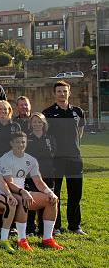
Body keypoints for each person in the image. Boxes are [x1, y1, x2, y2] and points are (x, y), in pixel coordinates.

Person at [0, 131, 64, 251]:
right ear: (11, 144)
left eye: (23, 142)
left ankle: (47, 238)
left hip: (22, 192)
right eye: (17, 142)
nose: (20, 144)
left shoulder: (31, 160)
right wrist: (23, 192)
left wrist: (49, 192)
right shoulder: (5, 159)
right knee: (23, 200)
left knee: (51, 200)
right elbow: (9, 183)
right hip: (7, 193)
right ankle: (21, 240)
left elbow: (38, 182)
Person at [42, 81, 86, 235]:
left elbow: (79, 133)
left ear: (69, 92)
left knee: (75, 193)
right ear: (54, 94)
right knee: (56, 193)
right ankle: (57, 226)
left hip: (74, 158)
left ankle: (75, 226)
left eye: (64, 91)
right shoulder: (47, 113)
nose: (62, 94)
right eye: (59, 91)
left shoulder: (78, 112)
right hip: (56, 159)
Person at [24, 112, 56, 236]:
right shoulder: (27, 138)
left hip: (47, 174)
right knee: (31, 201)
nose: (37, 124)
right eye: (34, 122)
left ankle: (44, 230)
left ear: (44, 124)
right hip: (31, 175)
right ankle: (30, 229)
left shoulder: (50, 138)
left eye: (39, 122)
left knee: (48, 200)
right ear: (31, 124)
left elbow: (54, 155)